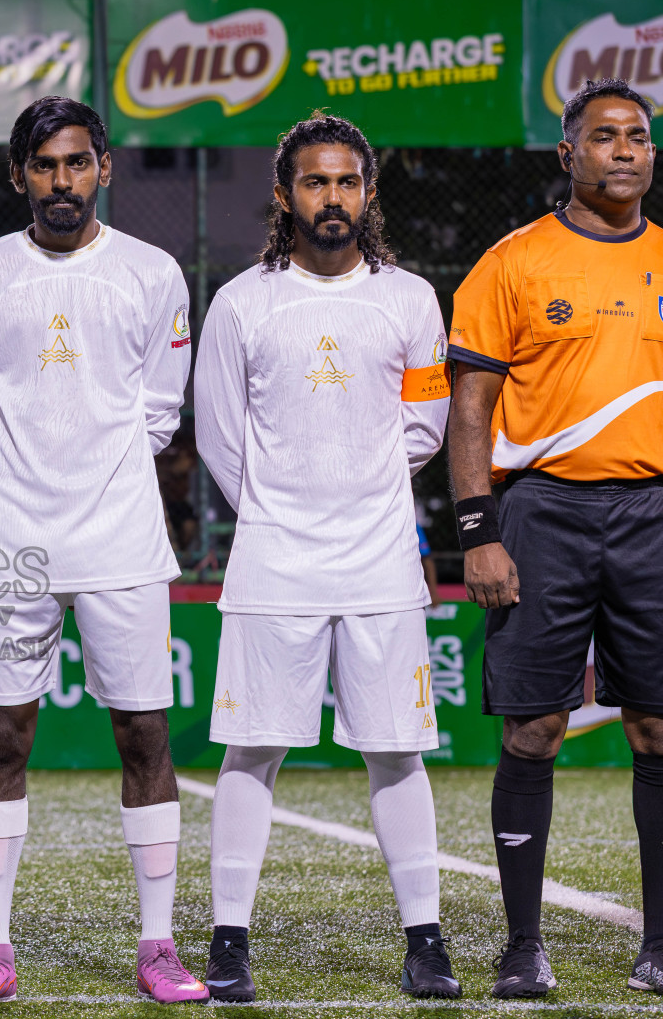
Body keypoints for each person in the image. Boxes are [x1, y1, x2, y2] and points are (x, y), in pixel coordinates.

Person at [0, 96, 207, 1006]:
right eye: (45, 165)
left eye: (78, 163)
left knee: (144, 733)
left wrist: (93, 480)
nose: (63, 181)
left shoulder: (152, 271)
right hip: (16, 540)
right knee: (3, 736)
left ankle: (159, 943)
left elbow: (160, 413)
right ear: (20, 174)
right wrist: (30, 486)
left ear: (104, 169)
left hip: (124, 540)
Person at [194, 112, 458, 1002]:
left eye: (347, 181)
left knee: (397, 752)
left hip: (381, 559)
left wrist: (357, 494)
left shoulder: (412, 299)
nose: (332, 197)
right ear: (284, 194)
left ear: (369, 192)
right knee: (252, 748)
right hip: (273, 560)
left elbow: (424, 427)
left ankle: (425, 941)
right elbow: (221, 439)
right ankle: (229, 940)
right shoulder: (241, 302)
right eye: (315, 182)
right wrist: (284, 510)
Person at [446, 77, 661, 998]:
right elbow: (470, 412)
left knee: (656, 727)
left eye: (640, 136)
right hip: (542, 512)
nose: (625, 150)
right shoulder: (513, 262)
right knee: (534, 729)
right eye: (605, 136)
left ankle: (660, 944)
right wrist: (477, 532)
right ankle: (523, 945)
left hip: (654, 514)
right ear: (567, 154)